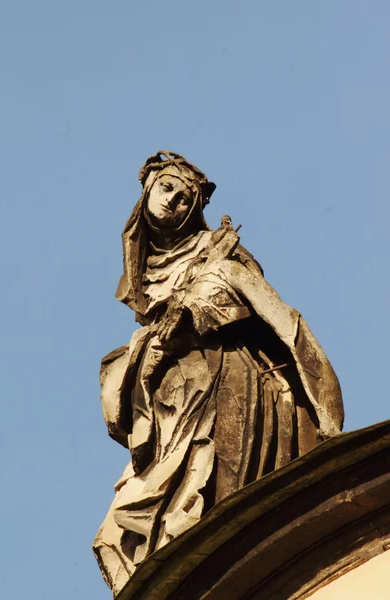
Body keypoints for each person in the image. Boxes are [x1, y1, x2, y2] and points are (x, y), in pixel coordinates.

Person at [93, 151, 344, 595]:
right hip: (171, 418)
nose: (173, 201)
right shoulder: (148, 286)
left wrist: (327, 412)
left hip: (227, 393)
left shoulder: (222, 263)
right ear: (147, 191)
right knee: (122, 533)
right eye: (167, 189)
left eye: (186, 198)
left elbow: (285, 325)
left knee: (209, 513)